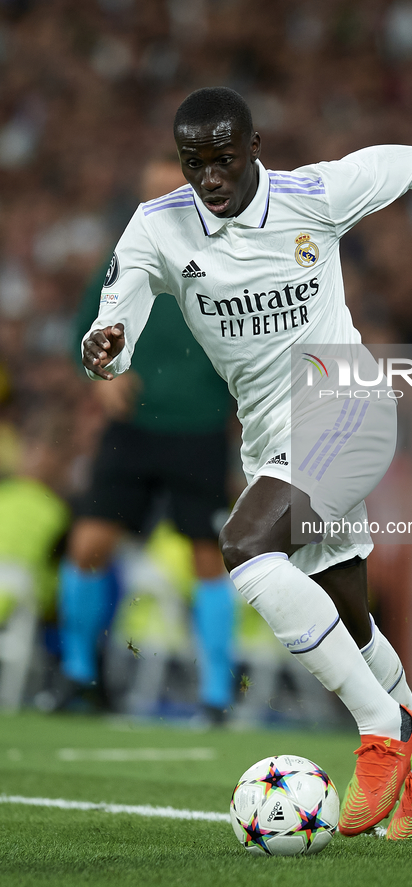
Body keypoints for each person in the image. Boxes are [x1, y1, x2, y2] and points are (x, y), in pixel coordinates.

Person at [81, 87, 412, 841]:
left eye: (223, 160)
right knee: (348, 623)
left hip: (344, 403)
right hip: (271, 438)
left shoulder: (314, 194)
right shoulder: (158, 226)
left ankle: (383, 731)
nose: (210, 179)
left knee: (245, 549)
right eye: (195, 164)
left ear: (253, 147)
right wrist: (103, 350)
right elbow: (111, 323)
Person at [60, 158, 236, 721]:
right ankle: (78, 677)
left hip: (200, 427)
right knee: (88, 545)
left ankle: (216, 696)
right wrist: (99, 378)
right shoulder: (124, 258)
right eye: (150, 193)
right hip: (132, 427)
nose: (159, 203)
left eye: (170, 190)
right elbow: (84, 334)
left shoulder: (232, 253)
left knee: (209, 558)